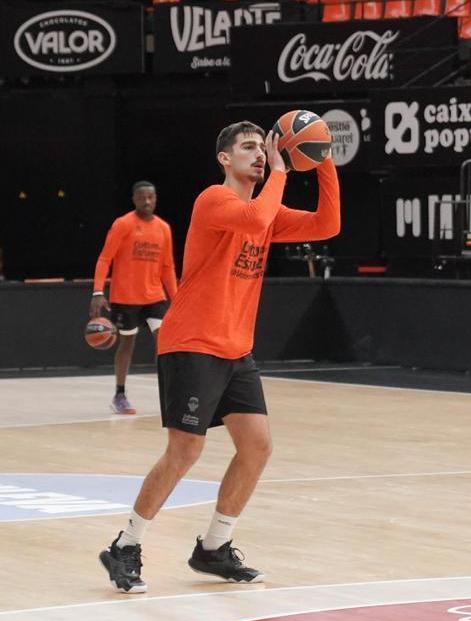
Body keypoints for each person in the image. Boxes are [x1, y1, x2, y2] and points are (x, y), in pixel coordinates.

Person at [99, 121, 340, 593]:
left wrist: (321, 155)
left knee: (257, 446)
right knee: (185, 451)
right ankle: (125, 546)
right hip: (191, 343)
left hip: (235, 349)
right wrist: (280, 171)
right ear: (225, 159)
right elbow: (253, 220)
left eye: (262, 146)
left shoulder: (265, 207)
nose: (259, 153)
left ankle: (213, 548)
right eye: (248, 147)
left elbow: (327, 224)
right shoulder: (213, 199)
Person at [91, 181, 178, 414]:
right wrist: (98, 292)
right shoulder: (123, 224)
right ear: (134, 199)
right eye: (142, 197)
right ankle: (120, 394)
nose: (147, 201)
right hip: (126, 297)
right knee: (127, 343)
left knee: (165, 340)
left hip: (154, 297)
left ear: (156, 198)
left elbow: (167, 267)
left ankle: (170, 394)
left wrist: (177, 299)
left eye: (151, 197)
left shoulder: (163, 228)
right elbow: (104, 259)